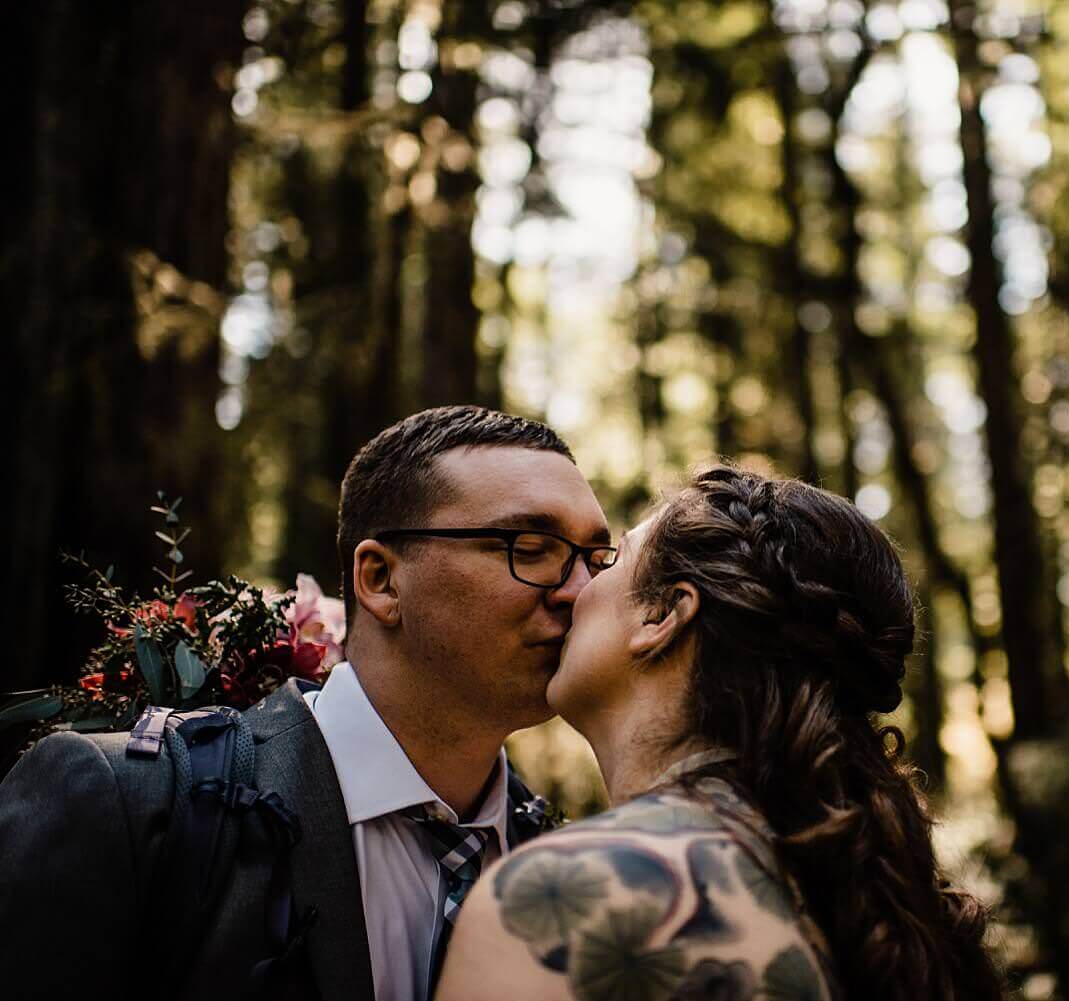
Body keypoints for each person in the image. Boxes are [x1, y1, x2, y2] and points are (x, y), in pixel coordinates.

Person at [0, 405, 614, 1001]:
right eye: (531, 547)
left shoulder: (566, 869)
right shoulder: (131, 802)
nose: (581, 593)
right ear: (380, 580)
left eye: (595, 559)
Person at [437, 465, 1005, 1001]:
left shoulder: (564, 900)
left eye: (610, 564)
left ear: (663, 617)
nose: (571, 591)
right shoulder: (851, 890)